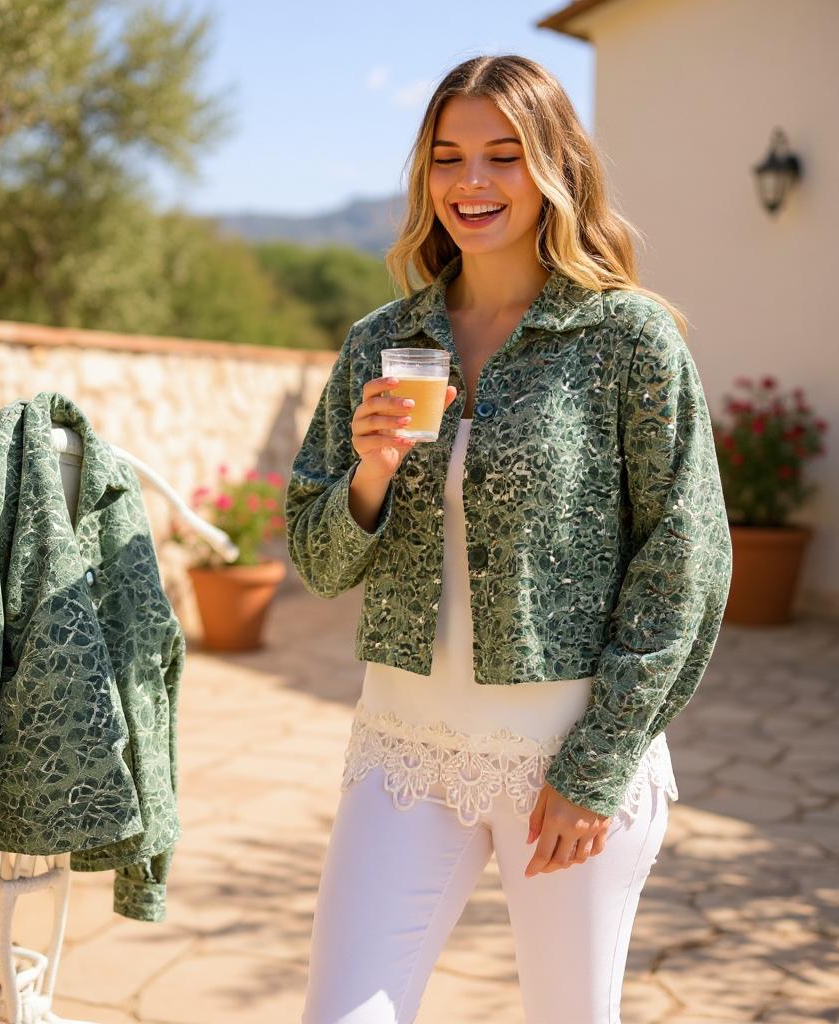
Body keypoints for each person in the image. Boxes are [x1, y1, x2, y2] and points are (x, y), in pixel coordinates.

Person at [284, 54, 733, 1024]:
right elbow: (317, 559)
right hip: (403, 743)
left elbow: (683, 558)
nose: (470, 183)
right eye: (447, 156)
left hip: (564, 761)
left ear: (554, 169)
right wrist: (367, 474)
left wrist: (598, 766)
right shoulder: (380, 340)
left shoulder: (626, 339)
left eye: (503, 155)